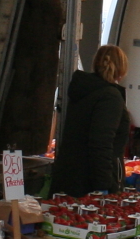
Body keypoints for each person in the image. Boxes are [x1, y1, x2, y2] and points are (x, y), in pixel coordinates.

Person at [51, 45, 130, 196]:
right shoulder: (110, 97)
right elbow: (101, 143)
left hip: (70, 176)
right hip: (90, 183)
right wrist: (103, 185)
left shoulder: (84, 91)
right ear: (122, 69)